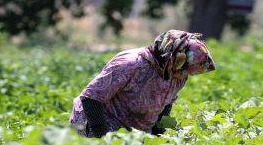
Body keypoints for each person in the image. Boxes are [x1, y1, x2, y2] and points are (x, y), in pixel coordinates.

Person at [70, 30, 215, 138]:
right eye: (185, 69)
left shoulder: (177, 74)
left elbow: (166, 104)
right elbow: (91, 98)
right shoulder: (130, 65)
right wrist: (103, 137)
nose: (186, 74)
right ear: (172, 59)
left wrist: (160, 137)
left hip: (135, 131)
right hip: (98, 122)